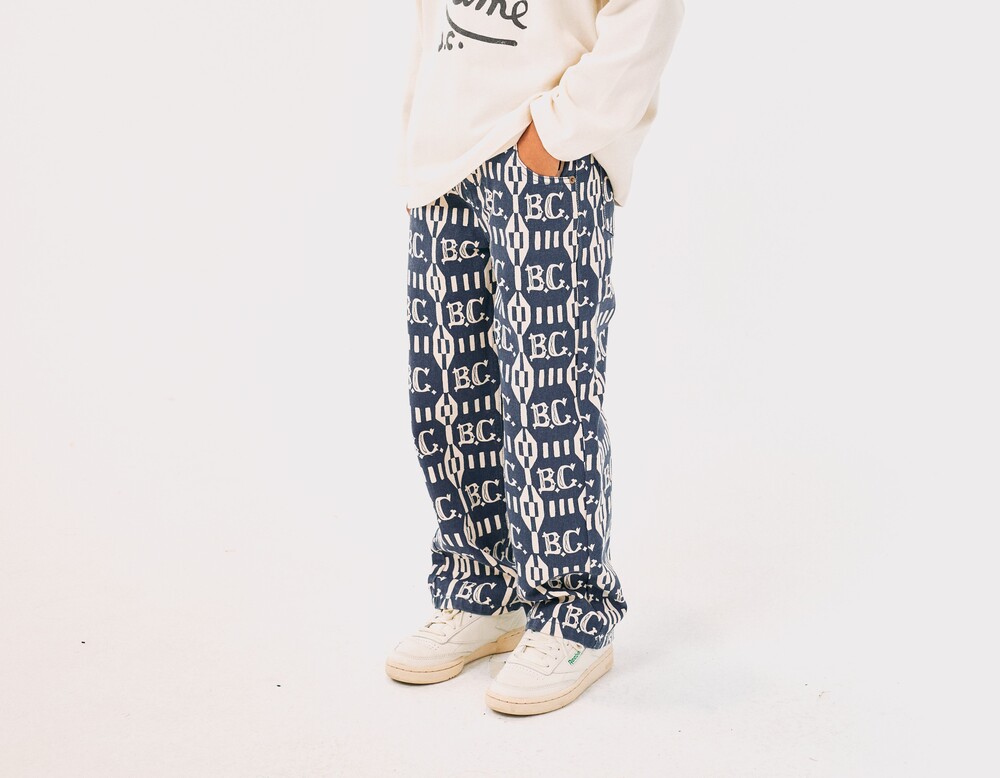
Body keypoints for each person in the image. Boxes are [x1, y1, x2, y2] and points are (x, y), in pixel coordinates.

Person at [385, 0, 685, 716]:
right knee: (446, 389)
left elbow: (647, 13)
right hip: (445, 162)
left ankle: (572, 614)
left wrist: (560, 130)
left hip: (546, 159)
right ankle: (482, 588)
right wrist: (420, 139)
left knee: (546, 396)